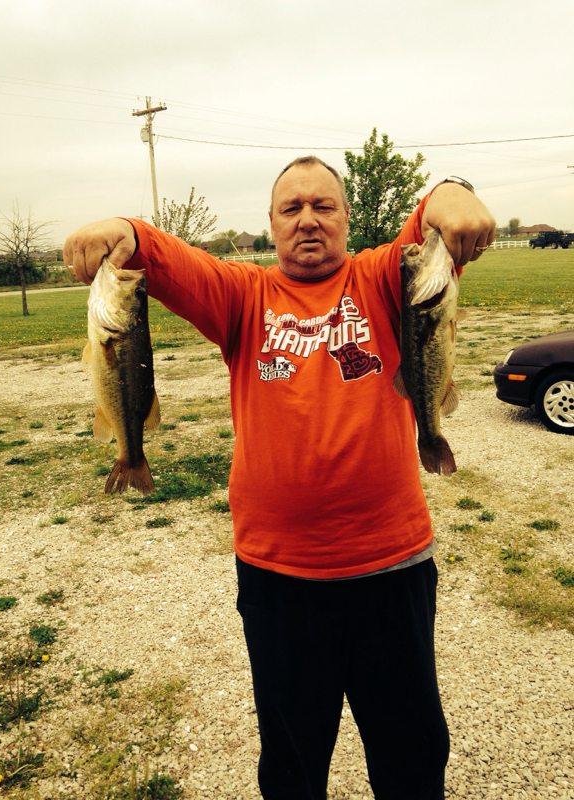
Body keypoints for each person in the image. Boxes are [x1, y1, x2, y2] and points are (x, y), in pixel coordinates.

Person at [65, 157, 495, 800]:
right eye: (291, 208)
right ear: (270, 224)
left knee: (411, 754)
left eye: (324, 205)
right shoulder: (242, 295)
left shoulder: (384, 277)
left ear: (346, 217)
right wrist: (125, 229)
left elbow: (435, 223)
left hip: (392, 565)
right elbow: (169, 261)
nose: (308, 220)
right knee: (293, 764)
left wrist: (454, 191)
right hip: (279, 579)